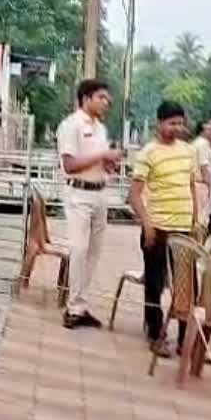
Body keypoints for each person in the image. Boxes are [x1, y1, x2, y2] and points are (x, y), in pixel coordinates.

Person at [129, 101, 202, 358]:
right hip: (158, 228)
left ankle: (185, 340)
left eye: (180, 123)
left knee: (186, 287)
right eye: (171, 123)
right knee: (155, 282)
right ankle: (156, 333)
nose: (177, 128)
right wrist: (147, 224)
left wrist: (195, 220)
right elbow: (135, 195)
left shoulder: (188, 152)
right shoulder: (148, 153)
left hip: (184, 231)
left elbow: (191, 187)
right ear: (158, 124)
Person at [57, 79, 126, 329]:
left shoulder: (101, 129)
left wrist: (110, 163)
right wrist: (102, 155)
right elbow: (70, 165)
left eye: (107, 99)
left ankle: (80, 304)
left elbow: (99, 160)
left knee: (93, 252)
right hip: (79, 194)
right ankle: (73, 307)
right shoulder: (71, 125)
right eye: (101, 98)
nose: (107, 102)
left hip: (99, 192)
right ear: (86, 99)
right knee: (78, 250)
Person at [191, 118, 211, 218]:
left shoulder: (200, 143)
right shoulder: (202, 144)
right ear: (204, 127)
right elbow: (204, 168)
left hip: (198, 186)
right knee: (200, 219)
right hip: (201, 186)